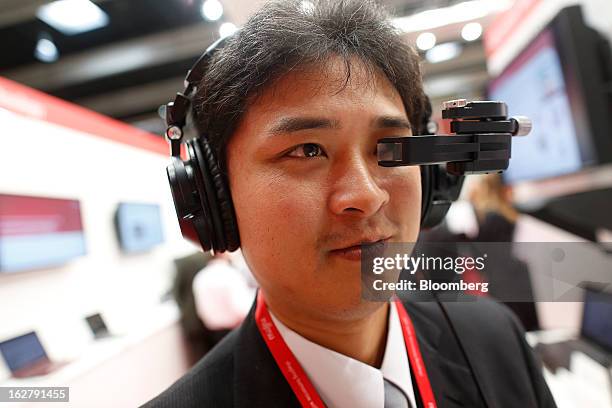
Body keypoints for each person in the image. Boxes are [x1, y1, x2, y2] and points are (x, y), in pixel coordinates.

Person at [144, 1, 556, 407]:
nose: (365, 195)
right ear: (215, 197)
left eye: (389, 149)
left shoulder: (497, 340)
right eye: (307, 150)